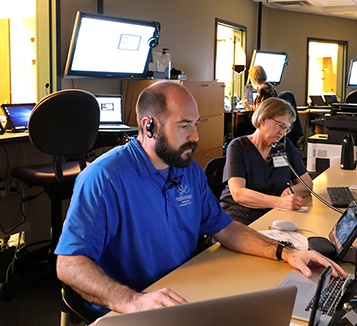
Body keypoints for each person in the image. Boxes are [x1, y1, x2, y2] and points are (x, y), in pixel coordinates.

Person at [55, 81, 344, 317]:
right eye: (183, 126)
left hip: (185, 290)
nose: (195, 135)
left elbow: (226, 228)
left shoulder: (188, 170)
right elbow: (68, 264)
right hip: (130, 307)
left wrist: (286, 253)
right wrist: (133, 301)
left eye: (196, 123)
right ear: (149, 126)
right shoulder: (105, 178)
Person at [220, 97, 313, 225]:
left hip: (274, 213)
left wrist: (292, 191)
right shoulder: (238, 147)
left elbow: (307, 184)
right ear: (263, 120)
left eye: (287, 128)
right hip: (240, 216)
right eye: (280, 126)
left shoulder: (285, 146)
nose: (283, 133)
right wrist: (279, 202)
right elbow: (238, 194)